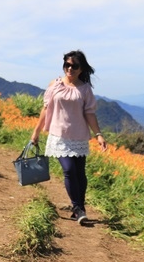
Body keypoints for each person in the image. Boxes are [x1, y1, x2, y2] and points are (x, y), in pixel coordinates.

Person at [31, 50, 108, 225]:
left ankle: (79, 208)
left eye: (74, 66)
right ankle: (77, 208)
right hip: (58, 136)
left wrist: (99, 135)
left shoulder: (85, 89)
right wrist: (36, 132)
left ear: (81, 69)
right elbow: (45, 109)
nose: (70, 68)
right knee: (69, 170)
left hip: (79, 136)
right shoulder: (55, 84)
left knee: (80, 174)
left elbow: (90, 113)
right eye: (67, 64)